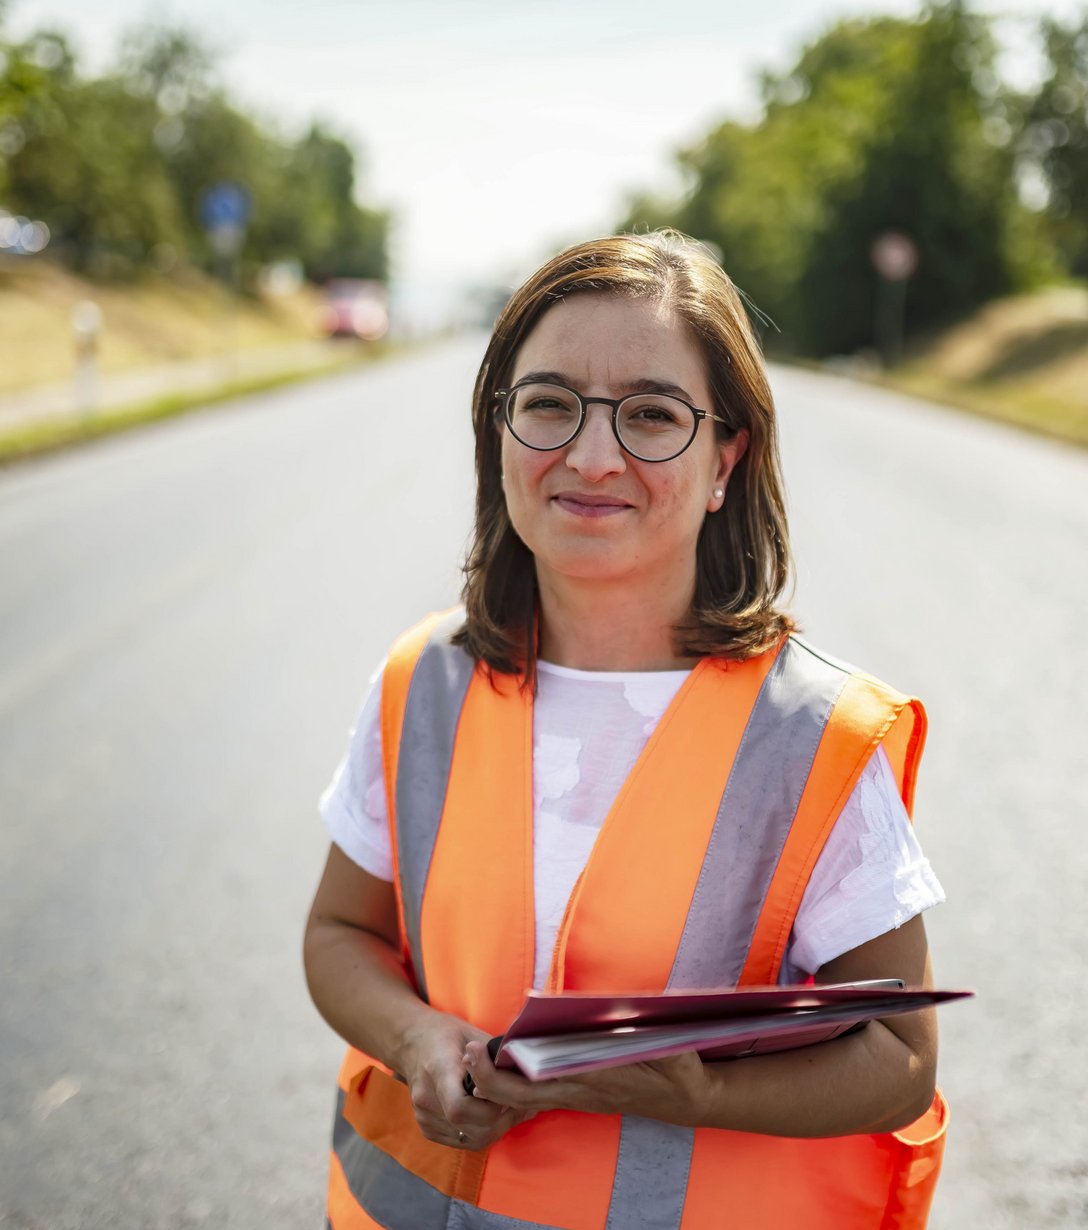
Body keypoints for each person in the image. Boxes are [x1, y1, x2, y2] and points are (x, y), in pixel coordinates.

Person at [304, 230, 949, 1230]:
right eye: (550, 404)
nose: (592, 455)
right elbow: (340, 932)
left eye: (651, 415)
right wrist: (418, 1039)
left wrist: (710, 1099)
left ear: (727, 457)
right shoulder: (421, 684)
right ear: (500, 431)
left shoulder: (813, 738)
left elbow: (900, 1061)